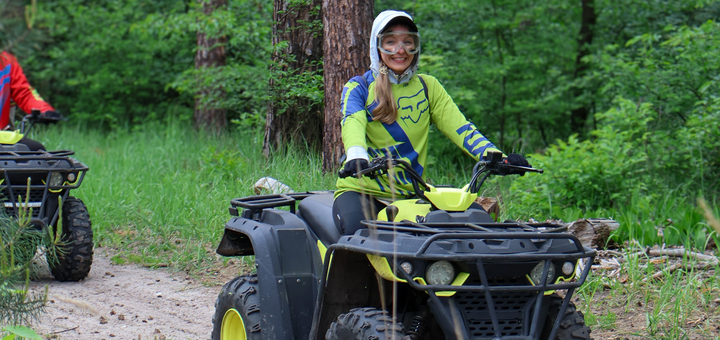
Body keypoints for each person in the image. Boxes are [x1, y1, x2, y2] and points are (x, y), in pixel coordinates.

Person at [332, 10, 531, 236]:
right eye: (390, 43)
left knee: (476, 228)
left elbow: (461, 128)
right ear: (376, 47)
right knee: (357, 236)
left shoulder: (429, 87)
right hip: (362, 192)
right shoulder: (358, 87)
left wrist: (497, 157)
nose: (400, 50)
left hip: (413, 194)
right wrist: (357, 154)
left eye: (409, 42)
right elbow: (352, 122)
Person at [1, 51, 61, 150]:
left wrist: (44, 110)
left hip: (3, 138)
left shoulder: (6, 61)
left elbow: (24, 93)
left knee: (37, 151)